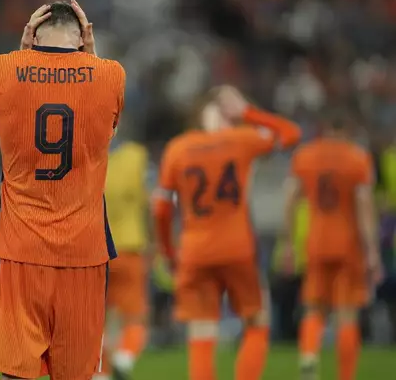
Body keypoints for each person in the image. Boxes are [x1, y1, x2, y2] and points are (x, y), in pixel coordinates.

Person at [0, 0, 126, 380]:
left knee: (16, 374)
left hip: (21, 250)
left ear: (33, 33)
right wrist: (92, 58)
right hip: (84, 251)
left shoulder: (2, 68)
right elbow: (107, 132)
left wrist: (22, 51)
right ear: (83, 36)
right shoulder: (110, 74)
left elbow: (5, 113)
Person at [153, 86, 301, 380]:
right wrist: (248, 112)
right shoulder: (240, 140)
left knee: (201, 333)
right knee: (257, 322)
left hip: (194, 251)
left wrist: (169, 253)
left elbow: (160, 209)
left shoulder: (177, 149)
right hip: (237, 247)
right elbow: (290, 133)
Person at [284, 115, 383, 380]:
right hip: (348, 245)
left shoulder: (305, 156)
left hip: (316, 242)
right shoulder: (357, 157)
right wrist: (372, 250)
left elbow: (290, 199)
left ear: (324, 130)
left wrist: (288, 243)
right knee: (346, 313)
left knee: (314, 308)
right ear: (347, 130)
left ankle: (308, 364)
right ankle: (345, 376)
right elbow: (363, 205)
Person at [95, 137, 150, 380]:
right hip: (129, 247)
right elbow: (149, 200)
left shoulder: (91, 158)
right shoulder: (137, 156)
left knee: (98, 321)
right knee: (135, 316)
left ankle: (102, 373)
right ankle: (125, 357)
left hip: (98, 250)